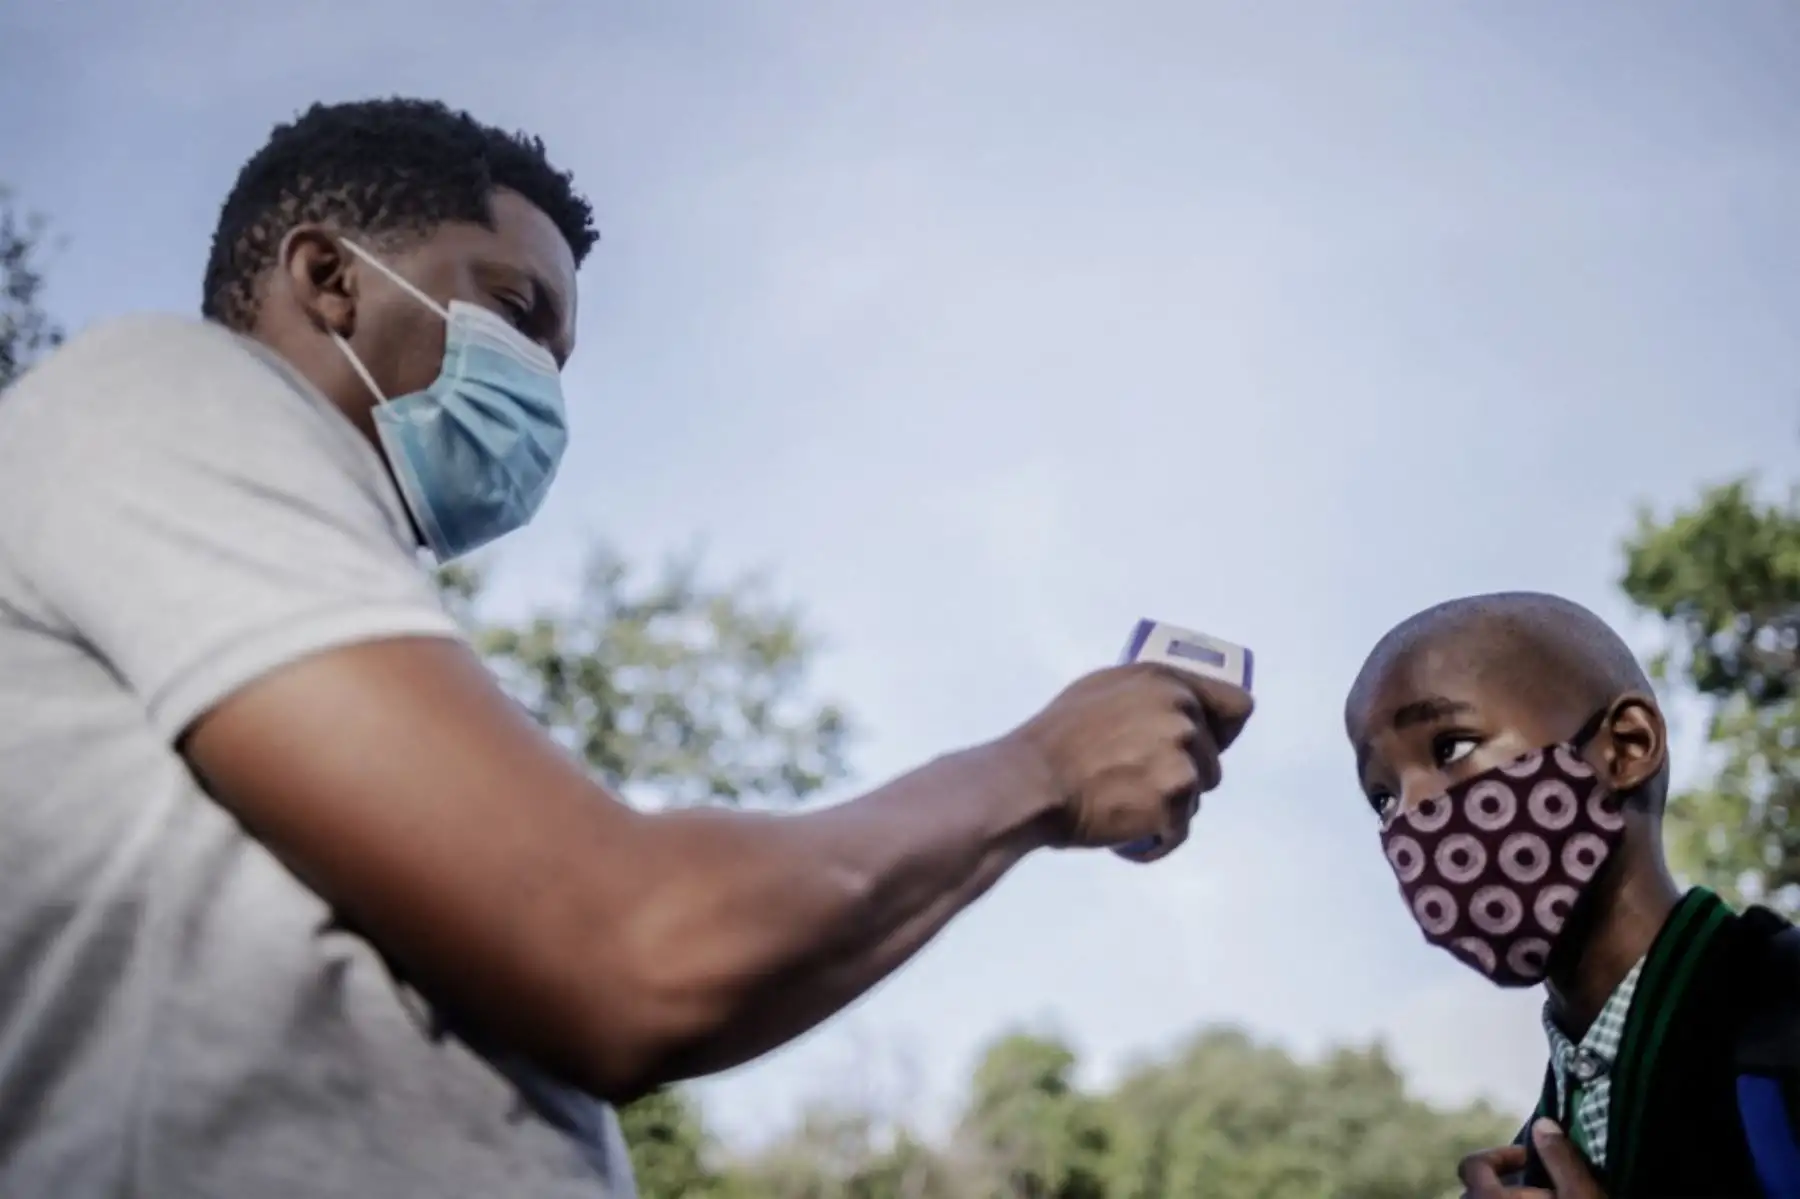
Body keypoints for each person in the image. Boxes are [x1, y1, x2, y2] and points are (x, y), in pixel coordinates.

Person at [0, 98, 1253, 1198]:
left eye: (559, 359)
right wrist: (1039, 766)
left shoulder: (337, 627)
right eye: (514, 310)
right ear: (330, 279)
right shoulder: (162, 391)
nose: (542, 387)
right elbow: (636, 949)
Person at [1346, 591, 1800, 1198]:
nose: (1411, 813)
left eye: (1450, 747)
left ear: (1627, 747)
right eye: (1382, 797)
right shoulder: (1528, 1161)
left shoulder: (1781, 1020)